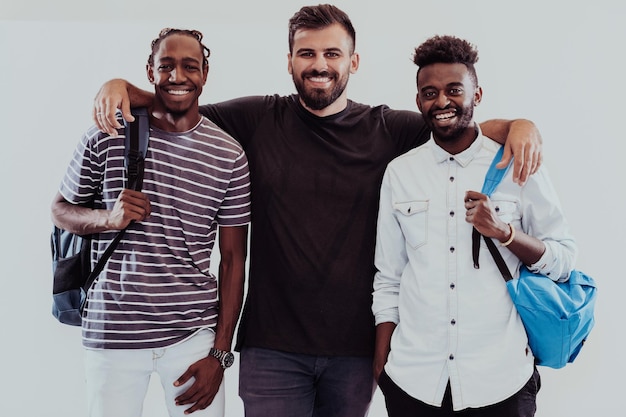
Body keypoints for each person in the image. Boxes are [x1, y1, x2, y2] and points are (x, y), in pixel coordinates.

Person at [92, 5, 543, 417]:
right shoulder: (257, 118)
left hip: (355, 349)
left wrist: (521, 126)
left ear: (354, 62)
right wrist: (123, 87)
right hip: (272, 348)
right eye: (306, 53)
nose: (319, 64)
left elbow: (454, 121)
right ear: (289, 61)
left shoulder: (387, 129)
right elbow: (178, 104)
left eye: (332, 52)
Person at [372, 35, 577, 417]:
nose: (442, 102)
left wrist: (506, 234)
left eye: (454, 90)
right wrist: (382, 367)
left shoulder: (517, 162)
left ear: (477, 94)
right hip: (414, 382)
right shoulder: (400, 173)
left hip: (501, 381)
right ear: (418, 101)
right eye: (429, 93)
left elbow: (564, 258)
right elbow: (389, 277)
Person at [51, 28, 251, 417]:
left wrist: (220, 353)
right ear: (150, 71)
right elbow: (60, 210)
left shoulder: (229, 156)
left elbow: (233, 261)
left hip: (192, 337)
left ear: (205, 73)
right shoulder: (107, 136)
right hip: (112, 332)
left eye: (190, 66)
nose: (177, 76)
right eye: (166, 66)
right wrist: (108, 219)